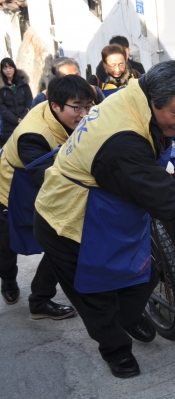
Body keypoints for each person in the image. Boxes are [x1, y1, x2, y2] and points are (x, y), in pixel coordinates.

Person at [33, 60, 175, 379]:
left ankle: (129, 316)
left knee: (145, 275)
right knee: (96, 300)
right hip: (67, 219)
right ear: (154, 100)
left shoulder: (135, 95)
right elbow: (170, 201)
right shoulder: (123, 140)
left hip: (108, 210)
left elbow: (157, 153)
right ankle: (116, 350)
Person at [0, 75, 93, 319]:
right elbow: (50, 178)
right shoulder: (33, 134)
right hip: (12, 187)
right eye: (77, 107)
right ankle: (8, 280)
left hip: (45, 179)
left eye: (88, 106)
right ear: (55, 105)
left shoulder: (78, 115)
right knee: (7, 246)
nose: (84, 113)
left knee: (60, 240)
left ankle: (39, 300)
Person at [31, 57, 104, 108]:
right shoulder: (43, 98)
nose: (74, 80)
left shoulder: (94, 92)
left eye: (76, 75)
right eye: (67, 77)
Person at [0, 58, 32, 147]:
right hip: (8, 125)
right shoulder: (1, 86)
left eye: (10, 67)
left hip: (25, 121)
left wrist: (23, 116)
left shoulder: (23, 83)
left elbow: (29, 101)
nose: (8, 70)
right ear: (2, 70)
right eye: (5, 68)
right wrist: (15, 120)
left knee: (27, 147)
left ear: (14, 68)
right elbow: (2, 108)